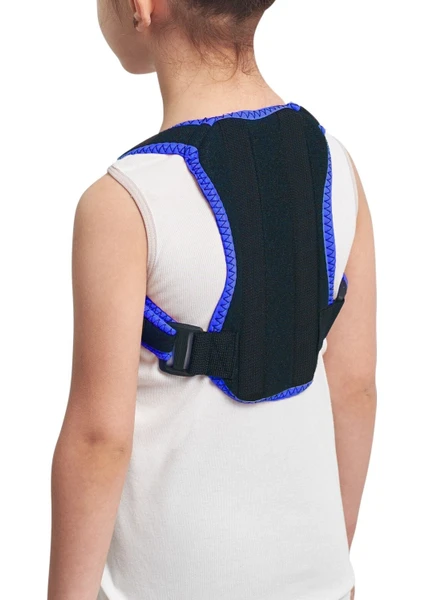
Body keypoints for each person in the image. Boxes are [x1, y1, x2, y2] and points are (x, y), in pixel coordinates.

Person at [47, 1, 377, 599]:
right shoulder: (336, 165)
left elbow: (99, 441)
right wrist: (331, 564)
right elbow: (355, 388)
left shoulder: (124, 203)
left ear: (143, 6)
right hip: (320, 579)